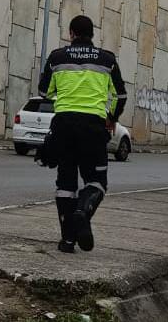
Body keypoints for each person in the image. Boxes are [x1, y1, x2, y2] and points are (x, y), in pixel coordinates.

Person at [38, 14, 127, 253]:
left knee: (65, 182)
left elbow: (44, 92)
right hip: (94, 127)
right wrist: (111, 118)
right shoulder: (107, 60)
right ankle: (82, 212)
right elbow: (121, 96)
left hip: (64, 126)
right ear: (92, 35)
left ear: (71, 33)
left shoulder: (57, 57)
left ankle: (67, 242)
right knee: (96, 181)